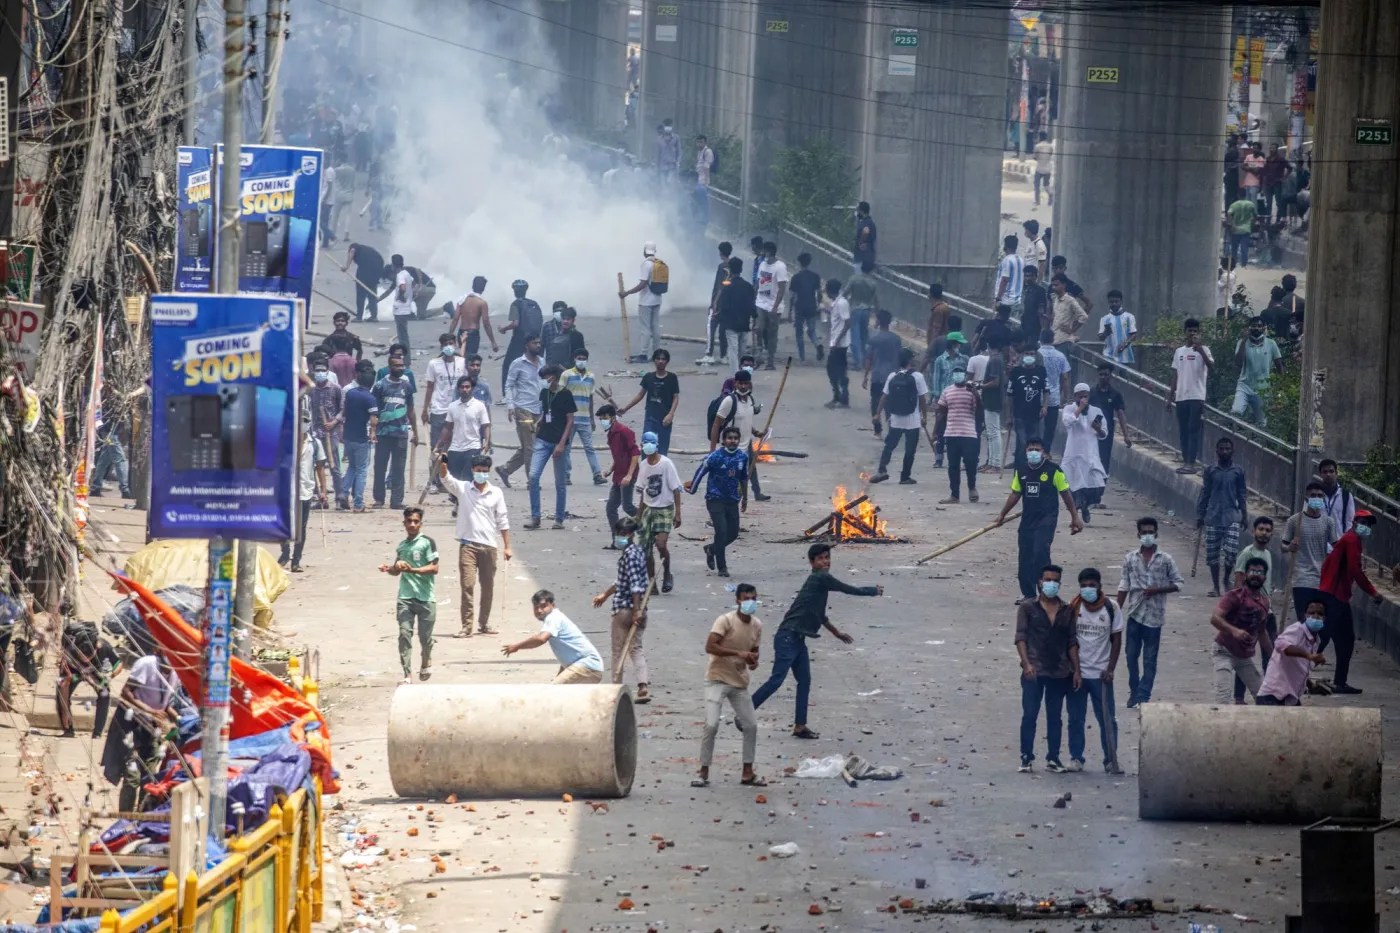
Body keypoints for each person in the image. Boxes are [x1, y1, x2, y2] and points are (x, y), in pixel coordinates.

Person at [751, 543, 881, 739]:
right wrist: (872, 590)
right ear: (812, 562)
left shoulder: (819, 583)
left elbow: (820, 615)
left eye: (827, 557)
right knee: (776, 680)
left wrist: (837, 633)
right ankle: (745, 713)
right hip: (788, 637)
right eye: (820, 558)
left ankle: (800, 726)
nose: (826, 561)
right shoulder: (821, 578)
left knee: (804, 681)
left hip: (797, 638)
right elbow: (847, 589)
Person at [692, 585, 765, 788]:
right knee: (712, 724)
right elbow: (710, 646)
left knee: (750, 725)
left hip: (739, 681)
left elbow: (754, 653)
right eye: (746, 598)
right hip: (717, 678)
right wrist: (738, 654)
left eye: (753, 598)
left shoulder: (757, 625)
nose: (750, 602)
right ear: (738, 601)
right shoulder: (725, 620)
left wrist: (752, 661)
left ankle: (747, 772)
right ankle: (703, 771)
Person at [997, 438, 1082, 601]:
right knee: (1025, 556)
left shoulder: (1054, 470)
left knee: (1040, 552)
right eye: (1030, 449)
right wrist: (1002, 514)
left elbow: (1065, 494)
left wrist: (1075, 517)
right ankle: (1028, 594)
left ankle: (1046, 592)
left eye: (1037, 449)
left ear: (1044, 452)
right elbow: (1015, 494)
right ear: (1025, 452)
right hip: (1028, 520)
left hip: (1047, 519)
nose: (1034, 452)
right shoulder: (1021, 471)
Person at [1015, 565, 1078, 773]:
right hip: (1033, 671)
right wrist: (1026, 663)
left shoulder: (1067, 610)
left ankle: (1053, 757)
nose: (1050, 584)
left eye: (1055, 581)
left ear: (1059, 584)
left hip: (1059, 672)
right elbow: (1020, 637)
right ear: (1040, 581)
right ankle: (1026, 756)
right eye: (1047, 580)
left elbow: (1071, 642)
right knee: (1029, 715)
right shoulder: (1027, 607)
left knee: (1055, 717)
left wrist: (1076, 669)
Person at [1118, 516, 1183, 708]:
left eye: (1150, 532)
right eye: (1144, 532)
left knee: (1149, 659)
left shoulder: (1166, 559)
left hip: (1154, 618)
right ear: (1138, 534)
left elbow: (1178, 583)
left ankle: (1144, 696)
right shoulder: (1130, 558)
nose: (1147, 535)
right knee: (1130, 656)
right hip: (1135, 615)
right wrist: (1115, 610)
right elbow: (1124, 584)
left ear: (1156, 534)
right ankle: (1134, 690)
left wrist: (1158, 589)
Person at [101, 647, 178, 809]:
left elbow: (167, 704)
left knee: (150, 776)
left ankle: (143, 816)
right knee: (133, 776)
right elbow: (126, 692)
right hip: (132, 726)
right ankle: (125, 818)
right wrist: (150, 711)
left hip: (152, 730)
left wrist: (178, 719)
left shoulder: (176, 673)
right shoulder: (147, 665)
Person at [1317, 511, 1384, 694]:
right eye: (1362, 522)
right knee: (1340, 639)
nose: (1365, 526)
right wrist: (1373, 592)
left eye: (1367, 524)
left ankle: (1338, 680)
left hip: (1332, 593)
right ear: (1354, 522)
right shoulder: (1352, 540)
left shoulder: (1347, 539)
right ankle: (1338, 681)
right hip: (1336, 595)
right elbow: (1355, 570)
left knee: (1331, 637)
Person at [1066, 568, 1122, 773]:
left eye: (1092, 585)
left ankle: (1110, 758)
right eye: (1083, 585)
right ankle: (1076, 758)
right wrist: (1074, 670)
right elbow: (1069, 640)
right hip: (1078, 675)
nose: (1087, 589)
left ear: (1099, 586)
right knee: (1075, 718)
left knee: (1107, 719)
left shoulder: (1111, 608)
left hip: (1101, 675)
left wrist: (1111, 669)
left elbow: (1117, 639)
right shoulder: (1073, 607)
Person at [592, 516, 652, 702]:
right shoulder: (636, 552)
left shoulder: (630, 555)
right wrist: (605, 594)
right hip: (638, 607)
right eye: (618, 533)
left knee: (618, 650)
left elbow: (635, 586)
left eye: (622, 534)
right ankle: (642, 686)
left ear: (630, 534)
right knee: (636, 648)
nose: (619, 537)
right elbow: (622, 581)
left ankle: (616, 689)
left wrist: (636, 611)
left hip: (626, 609)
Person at [380, 507, 438, 685]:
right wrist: (389, 569)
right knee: (405, 634)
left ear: (421, 523)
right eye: (409, 521)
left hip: (426, 598)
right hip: (405, 597)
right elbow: (396, 572)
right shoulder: (402, 546)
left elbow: (434, 568)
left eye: (415, 521)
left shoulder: (427, 542)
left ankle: (426, 660)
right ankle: (407, 675)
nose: (412, 525)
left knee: (425, 638)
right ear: (404, 523)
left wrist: (412, 569)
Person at [687, 425, 748, 577]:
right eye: (729, 438)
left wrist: (745, 498)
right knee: (721, 532)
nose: (733, 441)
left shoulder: (742, 457)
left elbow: (744, 479)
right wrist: (693, 488)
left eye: (735, 438)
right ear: (723, 440)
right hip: (715, 500)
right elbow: (701, 471)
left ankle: (712, 549)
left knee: (733, 533)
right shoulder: (715, 457)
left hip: (732, 501)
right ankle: (722, 567)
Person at [1210, 557, 1274, 703]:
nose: (1256, 575)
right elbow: (1215, 618)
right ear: (1245, 575)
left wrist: (1273, 656)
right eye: (1252, 571)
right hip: (1223, 651)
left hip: (1244, 657)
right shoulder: (1234, 596)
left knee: (1263, 699)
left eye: (1260, 572)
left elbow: (1262, 632)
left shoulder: (1265, 602)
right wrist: (1234, 631)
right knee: (1223, 699)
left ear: (1265, 577)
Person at [505, 590, 603, 684]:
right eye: (536, 607)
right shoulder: (556, 617)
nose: (539, 610)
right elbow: (568, 656)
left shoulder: (552, 617)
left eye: (543, 606)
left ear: (553, 605)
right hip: (589, 667)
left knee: (552, 693)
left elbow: (541, 638)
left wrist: (516, 646)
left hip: (587, 666)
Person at [526, 364, 577, 531]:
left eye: (545, 377)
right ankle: (535, 516)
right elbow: (546, 411)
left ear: (553, 377)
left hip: (558, 441)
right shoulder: (544, 393)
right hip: (542, 439)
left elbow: (570, 420)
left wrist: (562, 443)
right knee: (533, 476)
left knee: (560, 482)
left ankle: (559, 518)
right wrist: (539, 421)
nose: (543, 380)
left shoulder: (566, 394)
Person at [1197, 437, 1248, 596]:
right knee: (1213, 554)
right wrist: (1200, 514)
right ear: (1217, 451)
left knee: (1231, 553)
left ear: (1232, 451)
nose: (1225, 451)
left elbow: (1242, 494)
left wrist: (1244, 515)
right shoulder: (1210, 470)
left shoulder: (1238, 471)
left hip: (1231, 515)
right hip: (1213, 516)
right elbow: (1205, 493)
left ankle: (1226, 579)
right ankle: (1215, 586)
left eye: (1227, 449)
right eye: (1222, 449)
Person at [870, 347, 929, 486]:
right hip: (912, 420)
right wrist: (924, 416)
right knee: (910, 449)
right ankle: (905, 476)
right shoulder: (918, 376)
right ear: (910, 360)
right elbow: (922, 399)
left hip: (896, 419)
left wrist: (877, 414)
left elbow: (884, 397)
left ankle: (882, 470)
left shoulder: (892, 376)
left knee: (889, 445)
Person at [1283, 482, 1340, 620]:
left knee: (1321, 622)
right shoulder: (1294, 521)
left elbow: (1337, 546)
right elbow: (1282, 546)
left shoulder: (1328, 522)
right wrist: (1289, 547)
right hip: (1301, 580)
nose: (1317, 498)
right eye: (1313, 495)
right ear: (1306, 497)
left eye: (1320, 496)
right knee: (1304, 621)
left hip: (1322, 580)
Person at [1256, 599, 1328, 705]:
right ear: (1305, 615)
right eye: (1312, 613)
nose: (1316, 616)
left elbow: (1299, 667)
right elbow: (1281, 645)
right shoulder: (1298, 629)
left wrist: (1310, 685)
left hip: (1289, 698)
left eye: (1320, 614)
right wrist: (1309, 656)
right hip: (1273, 696)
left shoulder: (1315, 640)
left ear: (1324, 618)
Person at [370, 354, 419, 510]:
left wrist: (415, 432)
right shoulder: (379, 386)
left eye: (402, 365)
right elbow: (373, 411)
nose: (400, 368)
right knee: (380, 467)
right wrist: (372, 430)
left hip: (401, 434)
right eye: (397, 365)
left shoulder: (407, 386)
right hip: (383, 433)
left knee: (398, 468)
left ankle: (396, 501)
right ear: (389, 367)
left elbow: (411, 410)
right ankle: (379, 499)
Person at [57, 618, 118, 738]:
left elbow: (119, 664)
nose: (86, 659)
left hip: (95, 673)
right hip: (75, 672)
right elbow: (65, 684)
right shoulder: (70, 654)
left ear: (97, 647)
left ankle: (97, 733)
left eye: (89, 656)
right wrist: (65, 711)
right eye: (82, 656)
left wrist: (110, 675)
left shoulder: (104, 647)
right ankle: (68, 729)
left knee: (104, 693)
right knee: (61, 693)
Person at [496, 333, 543, 488]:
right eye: (535, 343)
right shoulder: (517, 363)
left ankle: (505, 469)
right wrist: (510, 405)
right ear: (527, 345)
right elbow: (508, 385)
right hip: (523, 409)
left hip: (539, 409)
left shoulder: (542, 362)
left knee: (528, 446)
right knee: (531, 447)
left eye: (539, 343)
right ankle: (532, 481)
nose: (538, 345)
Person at [1168, 319, 1213, 474]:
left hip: (1196, 396)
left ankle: (1191, 463)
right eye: (1190, 330)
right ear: (1185, 331)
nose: (1192, 333)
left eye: (1195, 331)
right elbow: (1175, 375)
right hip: (1181, 396)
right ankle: (1185, 460)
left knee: (1193, 430)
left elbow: (1211, 367)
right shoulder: (1179, 351)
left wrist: (1200, 351)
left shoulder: (1204, 350)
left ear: (1198, 333)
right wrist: (1169, 397)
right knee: (1183, 431)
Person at [422, 334, 465, 492]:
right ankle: (433, 481)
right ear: (441, 347)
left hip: (457, 409)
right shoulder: (434, 364)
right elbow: (430, 387)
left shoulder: (462, 362)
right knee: (436, 446)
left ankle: (448, 479)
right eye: (446, 344)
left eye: (451, 343)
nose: (449, 346)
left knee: (454, 446)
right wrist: (425, 409)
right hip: (439, 409)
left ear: (455, 345)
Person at [281, 427, 328, 571]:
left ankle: (296, 560)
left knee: (301, 528)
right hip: (285, 491)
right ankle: (285, 553)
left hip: (305, 491)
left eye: (306, 421)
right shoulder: (284, 441)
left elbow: (320, 468)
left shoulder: (315, 443)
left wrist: (323, 490)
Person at [1060, 383, 1109, 524]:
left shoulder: (1096, 410)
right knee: (1074, 484)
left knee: (1097, 483)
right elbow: (1068, 422)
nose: (1083, 398)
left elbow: (1104, 433)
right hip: (1074, 452)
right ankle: (1076, 510)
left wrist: (1099, 429)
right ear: (1075, 396)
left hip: (1090, 453)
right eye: (1080, 396)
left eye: (1085, 396)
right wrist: (1080, 408)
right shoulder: (1069, 408)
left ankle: (1086, 506)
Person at [618, 349, 680, 455]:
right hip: (650, 418)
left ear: (667, 361)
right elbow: (640, 395)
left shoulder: (672, 378)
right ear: (654, 361)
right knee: (647, 446)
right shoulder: (648, 377)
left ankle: (660, 470)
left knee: (662, 449)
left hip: (665, 419)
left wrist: (670, 414)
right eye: (658, 358)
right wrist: (625, 409)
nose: (660, 361)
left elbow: (676, 397)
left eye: (663, 359)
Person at [935, 361, 981, 502]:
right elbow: (941, 412)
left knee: (970, 462)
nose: (958, 375)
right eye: (956, 373)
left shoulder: (972, 391)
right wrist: (935, 432)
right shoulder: (947, 391)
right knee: (953, 465)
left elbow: (980, 409)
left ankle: (972, 488)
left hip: (969, 433)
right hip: (951, 433)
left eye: (960, 372)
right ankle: (954, 495)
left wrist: (975, 393)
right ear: (953, 375)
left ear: (965, 375)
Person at [437, 374, 492, 487]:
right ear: (458, 389)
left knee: (468, 478)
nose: (464, 389)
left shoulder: (479, 406)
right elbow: (447, 427)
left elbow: (486, 426)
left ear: (471, 388)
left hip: (473, 447)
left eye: (467, 387)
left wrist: (486, 443)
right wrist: (438, 445)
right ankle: (458, 502)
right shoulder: (452, 406)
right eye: (462, 387)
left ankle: (467, 502)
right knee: (454, 480)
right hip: (455, 448)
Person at [561, 348, 605, 486]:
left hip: (585, 418)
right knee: (566, 448)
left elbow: (590, 398)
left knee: (589, 447)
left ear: (587, 360)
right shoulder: (566, 375)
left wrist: (592, 419)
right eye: (578, 358)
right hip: (569, 419)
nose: (581, 361)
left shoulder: (591, 377)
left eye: (583, 358)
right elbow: (561, 395)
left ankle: (597, 474)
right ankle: (566, 475)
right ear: (574, 359)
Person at [1232, 316, 1283, 428]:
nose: (1256, 328)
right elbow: (1238, 362)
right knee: (1236, 412)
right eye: (1254, 325)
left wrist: (1280, 389)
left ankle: (1256, 442)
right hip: (1244, 386)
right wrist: (1244, 341)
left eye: (1260, 326)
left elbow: (1279, 365)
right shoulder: (1242, 342)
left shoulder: (1271, 344)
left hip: (1262, 389)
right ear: (1249, 328)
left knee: (1261, 424)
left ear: (1264, 328)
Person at [619, 242, 666, 363]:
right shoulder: (659, 263)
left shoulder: (646, 264)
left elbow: (642, 284)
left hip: (646, 301)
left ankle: (643, 354)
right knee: (655, 327)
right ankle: (656, 353)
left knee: (645, 328)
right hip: (657, 299)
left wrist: (627, 292)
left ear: (645, 251)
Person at [928, 331, 968, 468]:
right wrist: (937, 399)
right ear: (952, 344)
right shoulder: (940, 360)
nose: (960, 346)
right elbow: (936, 380)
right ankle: (939, 458)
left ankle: (959, 459)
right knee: (941, 430)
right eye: (958, 344)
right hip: (945, 400)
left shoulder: (964, 359)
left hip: (960, 399)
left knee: (959, 431)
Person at [1006, 342, 1048, 472]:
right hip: (1019, 414)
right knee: (1022, 443)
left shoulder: (1041, 371)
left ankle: (1032, 470)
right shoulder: (1016, 372)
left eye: (1032, 354)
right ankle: (1018, 471)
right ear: (1022, 356)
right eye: (1027, 354)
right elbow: (1010, 396)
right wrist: (1009, 416)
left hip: (1035, 414)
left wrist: (1045, 406)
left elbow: (1046, 390)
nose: (1030, 356)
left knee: (1034, 444)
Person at [342, 364, 378, 512]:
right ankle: (358, 504)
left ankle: (342, 494)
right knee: (362, 470)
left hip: (348, 436)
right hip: (361, 438)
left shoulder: (350, 393)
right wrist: (373, 433)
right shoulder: (370, 398)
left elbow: (344, 411)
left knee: (352, 466)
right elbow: (374, 419)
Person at [863, 309, 903, 437]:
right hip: (893, 375)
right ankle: (892, 428)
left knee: (876, 402)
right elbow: (901, 357)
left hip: (878, 376)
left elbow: (869, 358)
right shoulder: (896, 339)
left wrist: (865, 376)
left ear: (878, 321)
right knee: (891, 403)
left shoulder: (874, 339)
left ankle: (878, 429)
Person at [1088, 363, 1130, 477]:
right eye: (1100, 374)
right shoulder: (1091, 393)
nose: (1103, 377)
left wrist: (1126, 436)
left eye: (1105, 374)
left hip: (1106, 432)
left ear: (1110, 376)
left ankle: (1101, 483)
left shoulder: (1115, 394)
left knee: (1104, 458)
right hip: (1090, 431)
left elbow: (1120, 414)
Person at [499, 280, 543, 391]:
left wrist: (503, 329)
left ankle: (506, 394)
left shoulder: (515, 304)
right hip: (534, 339)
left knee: (508, 365)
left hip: (519, 340)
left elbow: (515, 323)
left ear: (514, 291)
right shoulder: (534, 303)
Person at [717, 256, 757, 374]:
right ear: (741, 269)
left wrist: (721, 319)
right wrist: (754, 319)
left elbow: (724, 307)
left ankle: (735, 377)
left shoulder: (727, 287)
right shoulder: (748, 286)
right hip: (744, 324)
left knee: (733, 352)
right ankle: (744, 375)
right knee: (742, 352)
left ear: (730, 269)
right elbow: (752, 305)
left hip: (731, 324)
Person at [974, 334, 1007, 471]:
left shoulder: (994, 360)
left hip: (992, 400)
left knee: (993, 432)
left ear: (989, 345)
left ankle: (995, 463)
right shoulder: (999, 359)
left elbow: (995, 382)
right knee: (991, 432)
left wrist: (981, 386)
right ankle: (991, 462)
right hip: (994, 399)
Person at [754, 241, 788, 369]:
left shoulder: (780, 267)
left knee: (772, 333)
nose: (762, 253)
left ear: (769, 252)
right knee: (759, 329)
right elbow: (759, 282)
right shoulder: (762, 264)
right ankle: (758, 356)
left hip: (773, 305)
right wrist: (754, 298)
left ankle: (770, 360)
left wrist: (775, 307)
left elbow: (782, 288)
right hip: (761, 302)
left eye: (764, 251)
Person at [1037, 329, 1070, 453]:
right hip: (1054, 397)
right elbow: (1065, 378)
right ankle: (1046, 451)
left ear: (1041, 339)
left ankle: (1034, 450)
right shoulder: (1060, 356)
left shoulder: (1036, 354)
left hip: (1036, 396)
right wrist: (1065, 396)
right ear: (1053, 340)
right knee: (1049, 427)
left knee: (1036, 427)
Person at [844, 260, 878, 373]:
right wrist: (877, 315)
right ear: (871, 270)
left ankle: (857, 361)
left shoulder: (854, 279)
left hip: (855, 308)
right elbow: (876, 301)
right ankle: (865, 361)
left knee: (855, 336)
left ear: (861, 268)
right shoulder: (873, 283)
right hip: (867, 310)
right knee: (864, 337)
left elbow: (846, 292)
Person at [378, 254, 417, 353]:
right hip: (406, 309)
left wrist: (401, 295)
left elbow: (402, 287)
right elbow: (413, 284)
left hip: (400, 310)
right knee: (403, 336)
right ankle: (406, 358)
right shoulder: (406, 273)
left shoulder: (400, 276)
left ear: (393, 265)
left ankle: (405, 359)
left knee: (402, 337)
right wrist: (410, 294)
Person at [449, 277, 497, 356]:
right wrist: (493, 342)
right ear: (483, 288)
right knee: (470, 359)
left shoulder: (462, 300)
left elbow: (455, 319)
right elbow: (486, 323)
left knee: (463, 357)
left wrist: (450, 335)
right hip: (472, 334)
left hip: (461, 332)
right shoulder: (482, 303)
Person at [789, 252, 823, 363]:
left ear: (799, 263)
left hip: (800, 307)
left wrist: (790, 312)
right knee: (811, 331)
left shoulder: (796, 277)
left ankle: (802, 357)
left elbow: (792, 297)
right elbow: (819, 293)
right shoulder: (815, 276)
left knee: (799, 333)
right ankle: (817, 344)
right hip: (811, 306)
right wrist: (818, 305)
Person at [704, 242, 733, 364]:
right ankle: (723, 355)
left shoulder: (722, 267)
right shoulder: (732, 266)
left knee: (711, 327)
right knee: (723, 330)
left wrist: (714, 303)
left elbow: (720, 286)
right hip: (728, 303)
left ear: (720, 252)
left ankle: (709, 354)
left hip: (719, 302)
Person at [825, 278, 851, 408]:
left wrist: (837, 340)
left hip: (839, 344)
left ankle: (841, 397)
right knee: (837, 370)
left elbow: (847, 323)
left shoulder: (841, 303)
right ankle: (840, 396)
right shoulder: (837, 303)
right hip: (836, 342)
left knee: (835, 370)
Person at [1318, 459, 1358, 541]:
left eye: (1331, 471)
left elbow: (1350, 522)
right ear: (1321, 475)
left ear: (1336, 473)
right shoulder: (1314, 495)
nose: (1328, 474)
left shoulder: (1346, 496)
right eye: (1325, 472)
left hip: (1339, 545)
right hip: (1318, 545)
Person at [344, 242, 385, 321]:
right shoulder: (367, 249)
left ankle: (359, 317)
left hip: (365, 271)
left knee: (361, 295)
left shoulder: (354, 247)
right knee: (372, 294)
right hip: (377, 271)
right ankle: (374, 316)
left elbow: (352, 251)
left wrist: (346, 266)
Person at [1098, 290, 1137, 365]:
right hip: (1108, 356)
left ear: (1121, 302)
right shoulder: (1104, 319)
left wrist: (1124, 344)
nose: (1114, 304)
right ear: (1108, 302)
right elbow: (1100, 338)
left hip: (1125, 357)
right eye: (1111, 302)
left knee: (1124, 377)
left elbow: (1134, 335)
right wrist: (1106, 333)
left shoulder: (1129, 317)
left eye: (1116, 301)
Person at [1048, 274, 1087, 349]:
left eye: (1056, 285)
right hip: (1054, 339)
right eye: (1053, 285)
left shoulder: (1070, 300)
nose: (1053, 288)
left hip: (1064, 341)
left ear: (1064, 285)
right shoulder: (1055, 300)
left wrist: (1072, 330)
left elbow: (1083, 316)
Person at [542, 305, 586, 369]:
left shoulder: (577, 336)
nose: (565, 321)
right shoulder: (558, 334)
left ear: (573, 320)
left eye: (568, 319)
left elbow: (581, 356)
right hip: (556, 370)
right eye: (564, 319)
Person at [1226, 192, 1258, 268]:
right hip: (1246, 229)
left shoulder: (1234, 204)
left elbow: (1229, 213)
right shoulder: (1251, 204)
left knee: (1234, 248)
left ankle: (1233, 264)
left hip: (1236, 229)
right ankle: (1244, 264)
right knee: (1244, 248)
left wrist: (1232, 224)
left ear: (1238, 195)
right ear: (1245, 195)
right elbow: (1256, 215)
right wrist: (1251, 223)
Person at [1020, 265, 1048, 345]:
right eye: (1026, 276)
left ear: (1035, 276)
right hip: (1025, 326)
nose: (1028, 278)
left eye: (1030, 276)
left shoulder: (1040, 291)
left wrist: (1043, 328)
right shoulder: (1027, 290)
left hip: (1035, 328)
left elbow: (1041, 311)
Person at [995, 235, 1024, 313]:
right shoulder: (1021, 260)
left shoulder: (1007, 260)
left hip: (1006, 300)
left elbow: (1004, 280)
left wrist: (998, 297)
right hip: (1017, 300)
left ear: (1006, 246)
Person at [926, 283, 952, 359]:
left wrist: (931, 346)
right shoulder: (945, 307)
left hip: (938, 345)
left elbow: (936, 329)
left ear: (930, 296)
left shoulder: (938, 310)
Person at [853, 201, 877, 270]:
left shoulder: (865, 222)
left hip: (862, 259)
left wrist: (861, 242)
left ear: (862, 211)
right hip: (869, 258)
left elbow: (866, 231)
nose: (856, 212)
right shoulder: (871, 223)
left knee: (859, 278)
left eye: (857, 210)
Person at [1032, 132, 1053, 206]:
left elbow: (1034, 157)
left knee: (1036, 185)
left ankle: (1037, 201)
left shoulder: (1037, 146)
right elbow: (1050, 155)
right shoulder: (1050, 146)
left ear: (1039, 137)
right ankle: (1051, 194)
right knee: (1046, 185)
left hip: (1039, 168)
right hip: (1048, 168)